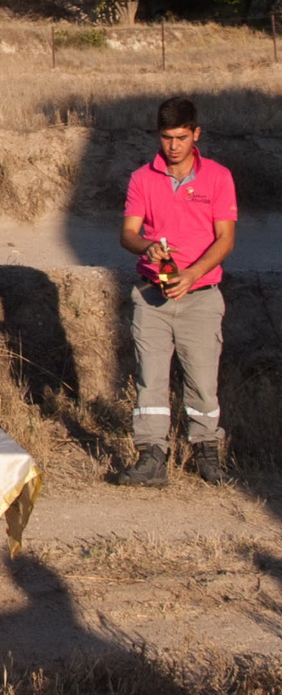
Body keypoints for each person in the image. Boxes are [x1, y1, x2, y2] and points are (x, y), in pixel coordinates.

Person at [118, 97, 237, 486]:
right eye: (167, 137)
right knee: (150, 379)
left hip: (201, 296)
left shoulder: (219, 177)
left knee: (202, 380)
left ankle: (207, 454)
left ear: (195, 134)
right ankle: (151, 456)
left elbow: (225, 240)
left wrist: (193, 274)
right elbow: (128, 233)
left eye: (181, 137)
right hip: (151, 296)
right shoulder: (142, 178)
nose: (173, 146)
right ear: (158, 135)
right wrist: (146, 246)